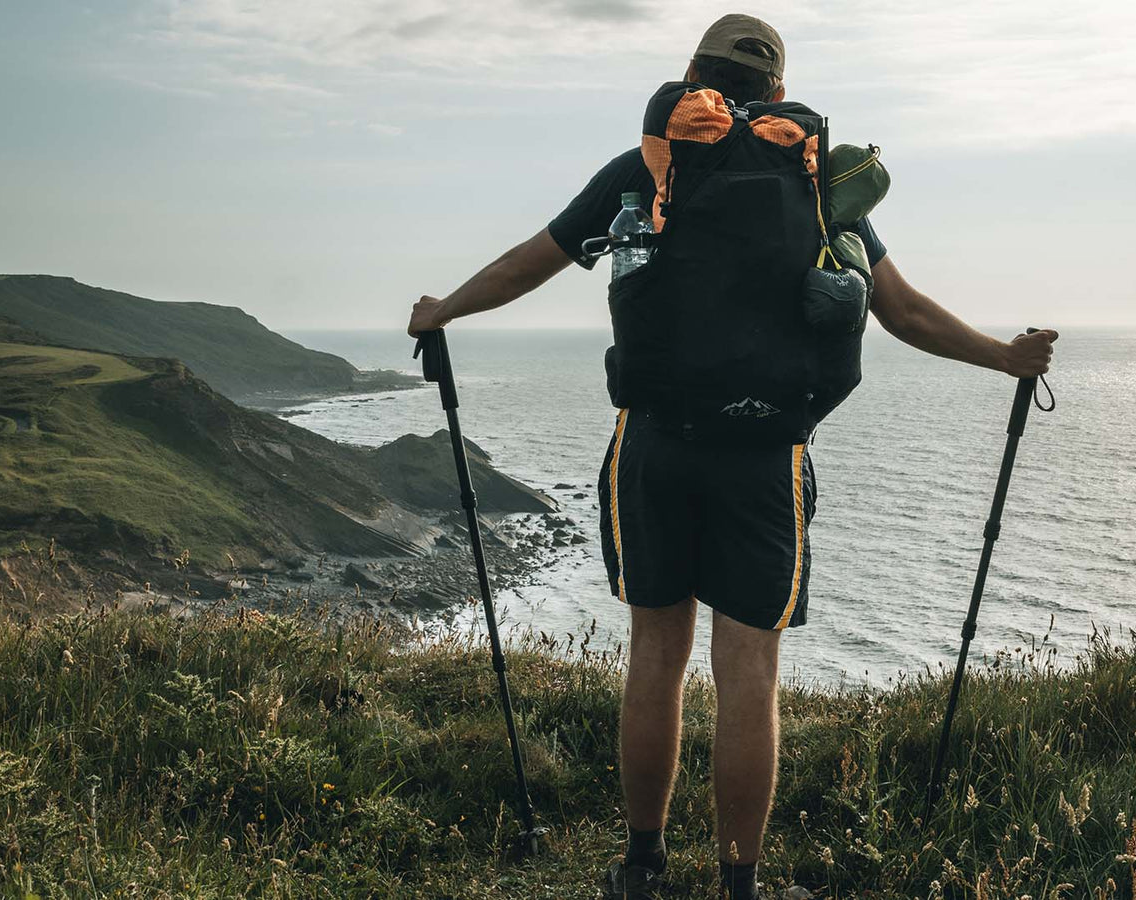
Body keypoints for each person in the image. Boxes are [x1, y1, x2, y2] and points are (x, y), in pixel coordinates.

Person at [406, 13, 1057, 899]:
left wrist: (445, 308)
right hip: (767, 457)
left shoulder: (649, 165)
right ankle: (739, 885)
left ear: (692, 76)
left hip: (654, 443)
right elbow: (900, 312)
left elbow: (536, 260)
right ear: (780, 93)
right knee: (749, 672)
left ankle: (640, 866)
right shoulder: (818, 178)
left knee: (655, 653)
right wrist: (1004, 357)